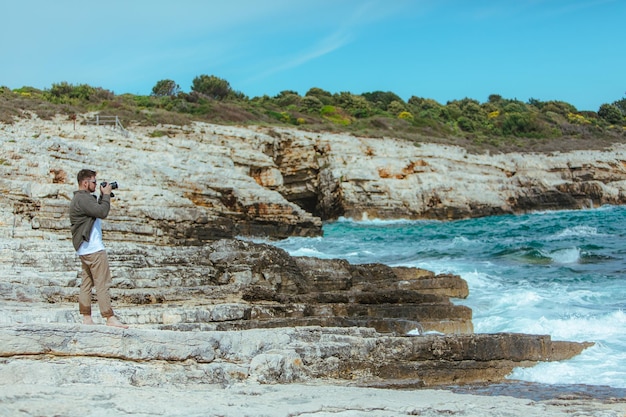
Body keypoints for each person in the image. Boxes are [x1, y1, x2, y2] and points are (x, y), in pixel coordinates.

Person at [69, 169, 128, 328]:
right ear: (85, 183)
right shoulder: (84, 199)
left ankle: (87, 318)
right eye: (94, 182)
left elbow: (96, 210)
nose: (96, 184)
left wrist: (103, 196)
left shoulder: (80, 199)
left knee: (87, 283)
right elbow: (102, 212)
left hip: (85, 249)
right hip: (94, 249)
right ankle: (109, 318)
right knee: (103, 283)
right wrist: (107, 195)